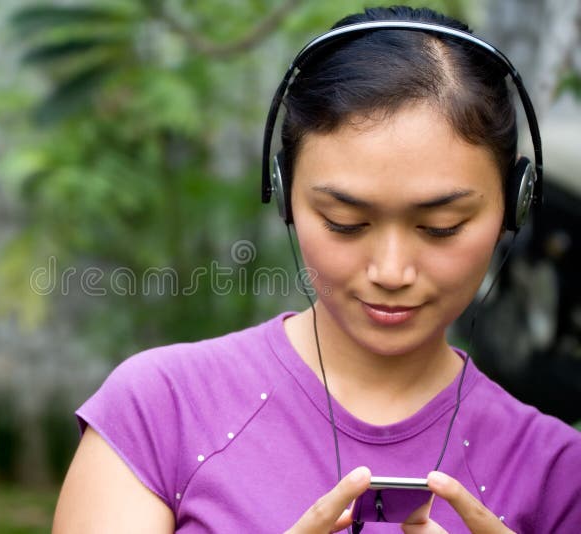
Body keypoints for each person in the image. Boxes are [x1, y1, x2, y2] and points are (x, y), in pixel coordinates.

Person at [53, 6, 581, 533]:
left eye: (441, 226)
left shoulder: (560, 476)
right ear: (284, 197)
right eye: (344, 221)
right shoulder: (160, 411)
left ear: (513, 208)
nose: (391, 271)